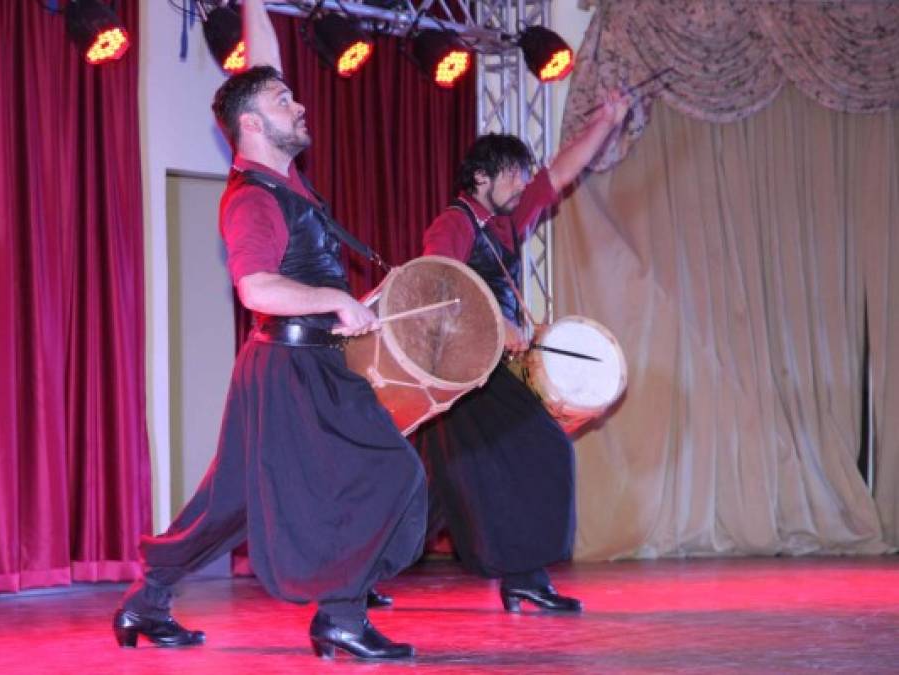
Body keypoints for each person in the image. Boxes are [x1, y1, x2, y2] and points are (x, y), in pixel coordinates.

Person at [113, 0, 426, 660]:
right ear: (251, 124)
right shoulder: (252, 199)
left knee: (233, 502)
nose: (300, 106)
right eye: (285, 101)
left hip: (306, 364)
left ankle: (146, 601)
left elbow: (264, 65)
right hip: (286, 370)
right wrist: (332, 299)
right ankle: (340, 615)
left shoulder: (280, 179)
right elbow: (254, 287)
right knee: (388, 470)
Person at [415, 94, 629, 613]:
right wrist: (499, 320)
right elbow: (436, 285)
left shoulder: (507, 221)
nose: (521, 183)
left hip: (491, 370)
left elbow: (559, 173)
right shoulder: (455, 223)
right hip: (465, 371)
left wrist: (605, 121)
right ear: (480, 180)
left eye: (521, 174)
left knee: (439, 490)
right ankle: (524, 578)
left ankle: (520, 579)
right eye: (511, 175)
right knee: (542, 451)